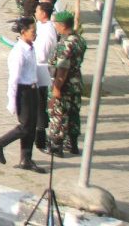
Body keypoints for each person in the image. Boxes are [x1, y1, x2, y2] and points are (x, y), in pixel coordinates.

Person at [0, 16, 44, 172]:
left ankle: (26, 159)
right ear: (23, 32)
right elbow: (13, 79)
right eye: (33, 31)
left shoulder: (31, 48)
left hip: (33, 90)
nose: (35, 34)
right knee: (25, 127)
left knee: (31, 127)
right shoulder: (18, 53)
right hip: (23, 92)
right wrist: (11, 101)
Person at [48, 10, 87, 156]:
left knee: (59, 113)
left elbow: (62, 69)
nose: (55, 26)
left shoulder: (65, 44)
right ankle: (73, 144)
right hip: (76, 83)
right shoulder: (79, 40)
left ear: (62, 25)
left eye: (56, 24)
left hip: (64, 85)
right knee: (73, 114)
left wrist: (57, 88)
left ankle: (56, 145)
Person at [32, 2, 57, 153]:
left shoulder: (48, 31)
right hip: (36, 67)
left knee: (40, 105)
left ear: (44, 13)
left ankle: (40, 139)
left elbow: (42, 54)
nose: (35, 12)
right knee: (36, 104)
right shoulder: (41, 26)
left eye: (37, 10)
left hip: (41, 69)